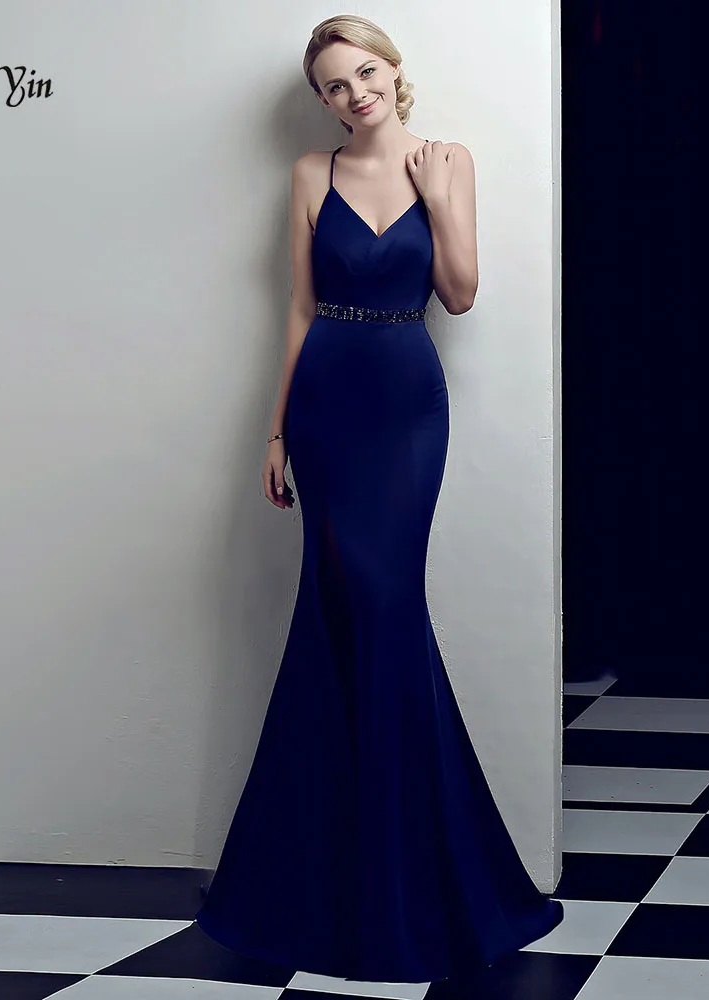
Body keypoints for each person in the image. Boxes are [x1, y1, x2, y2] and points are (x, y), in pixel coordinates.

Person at [194, 14, 564, 984]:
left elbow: (462, 293)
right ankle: (323, 884)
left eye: (364, 73)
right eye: (333, 85)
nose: (353, 93)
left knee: (387, 610)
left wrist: (437, 200)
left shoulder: (447, 161)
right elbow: (299, 306)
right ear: (321, 101)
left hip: (404, 405)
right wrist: (275, 430)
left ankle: (422, 882)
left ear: (393, 72)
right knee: (333, 618)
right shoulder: (309, 175)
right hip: (326, 402)